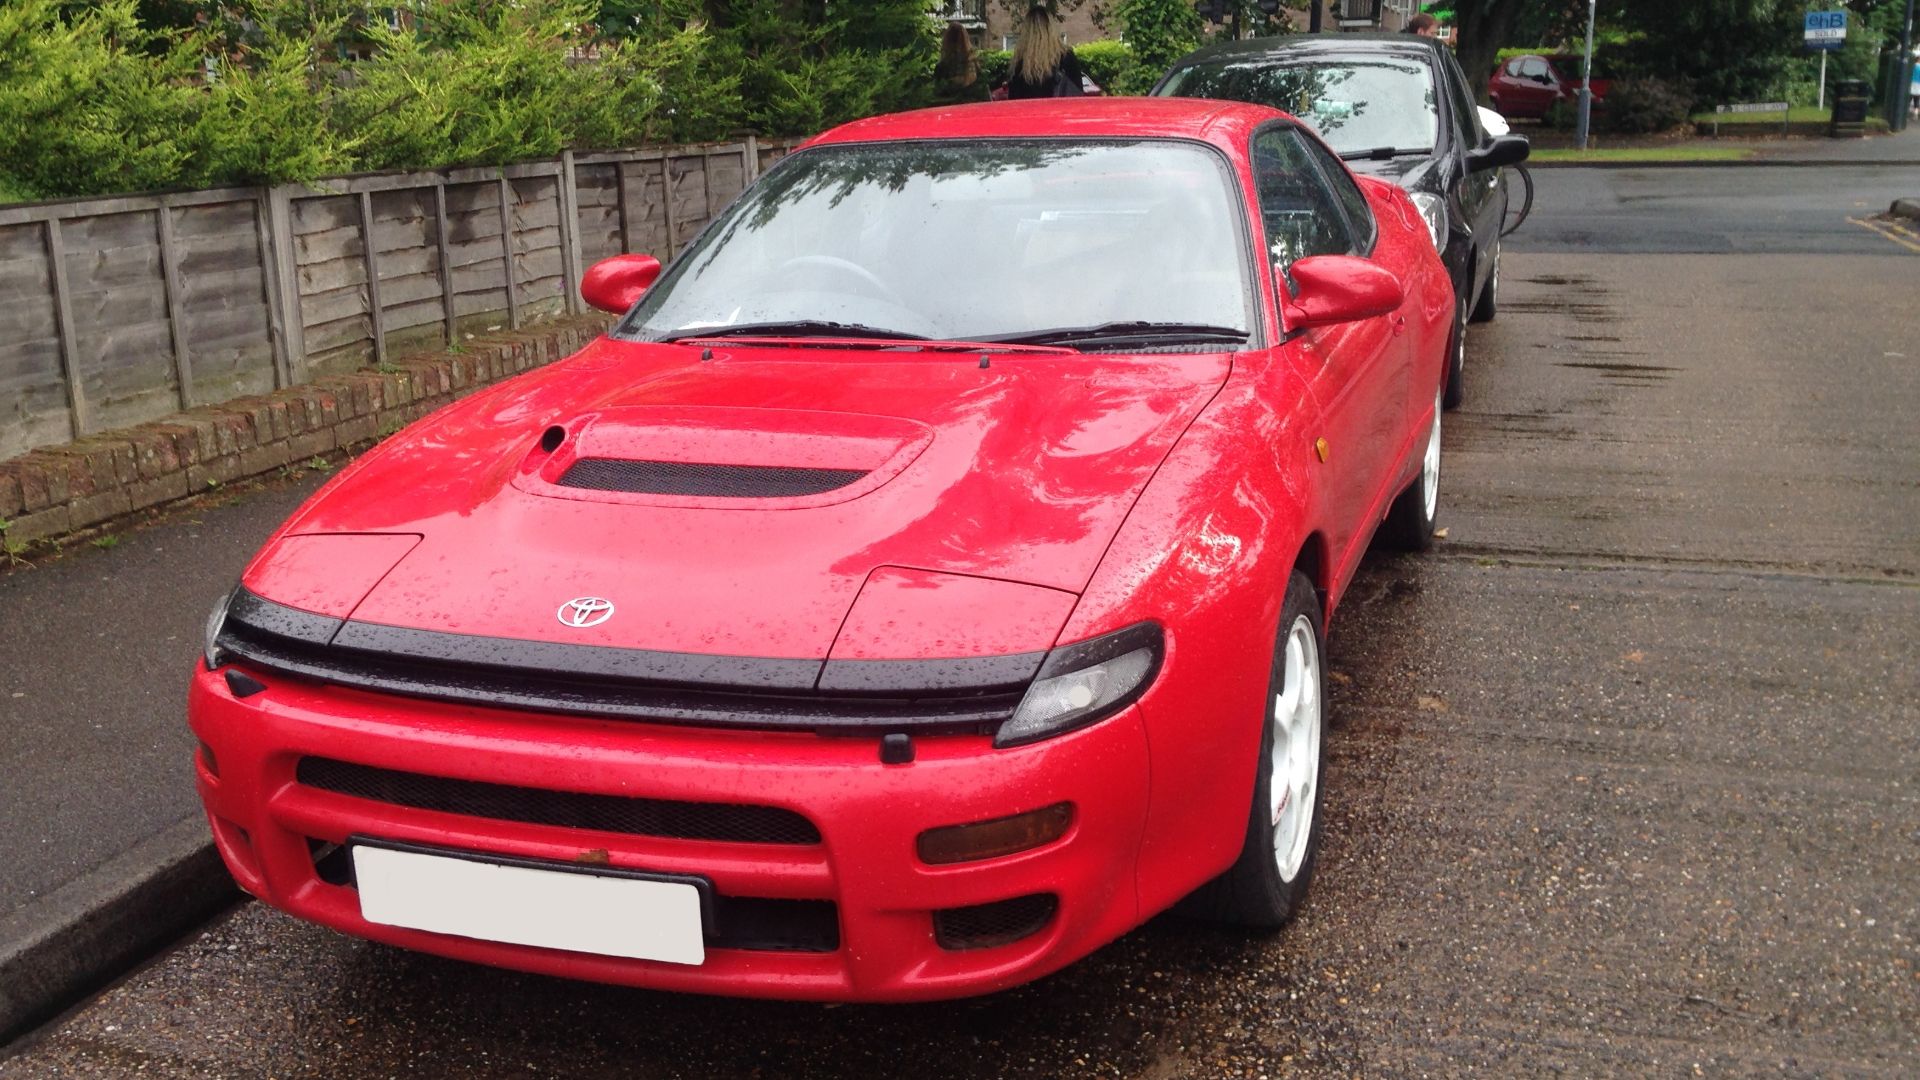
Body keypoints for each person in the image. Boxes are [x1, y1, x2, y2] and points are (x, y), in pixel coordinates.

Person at [1005, 3, 1084, 99]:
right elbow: (1078, 92)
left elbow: (1014, 100)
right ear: (1051, 29)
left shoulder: (1021, 64)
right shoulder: (1066, 57)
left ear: (1026, 32)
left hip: (1030, 113)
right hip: (1061, 112)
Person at [933, 23, 988, 104]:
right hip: (973, 108)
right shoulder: (975, 64)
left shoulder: (942, 67)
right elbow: (983, 91)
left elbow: (937, 96)